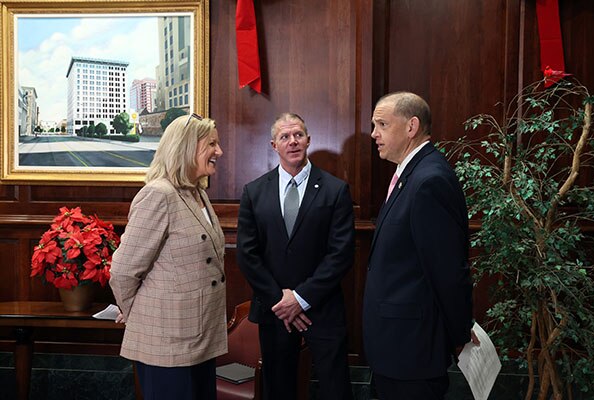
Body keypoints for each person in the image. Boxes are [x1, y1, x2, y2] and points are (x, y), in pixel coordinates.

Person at [363, 92, 477, 400]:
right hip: (396, 348)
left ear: (411, 126)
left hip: (413, 351)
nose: (374, 134)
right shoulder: (409, 175)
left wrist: (458, 332)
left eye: (382, 124)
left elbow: (448, 270)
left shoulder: (430, 180)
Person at [237, 112, 355, 400]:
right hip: (274, 310)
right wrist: (281, 300)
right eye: (285, 137)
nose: (293, 141)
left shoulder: (335, 190)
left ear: (308, 140)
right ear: (273, 145)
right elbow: (247, 254)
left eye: (298, 135)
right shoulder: (254, 191)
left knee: (334, 389)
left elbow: (341, 254)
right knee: (279, 389)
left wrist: (300, 299)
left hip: (322, 309)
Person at [109, 113, 226, 400]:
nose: (219, 152)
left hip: (201, 335)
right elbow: (123, 270)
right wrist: (134, 311)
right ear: (186, 147)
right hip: (167, 341)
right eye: (211, 144)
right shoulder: (158, 195)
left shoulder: (197, 194)